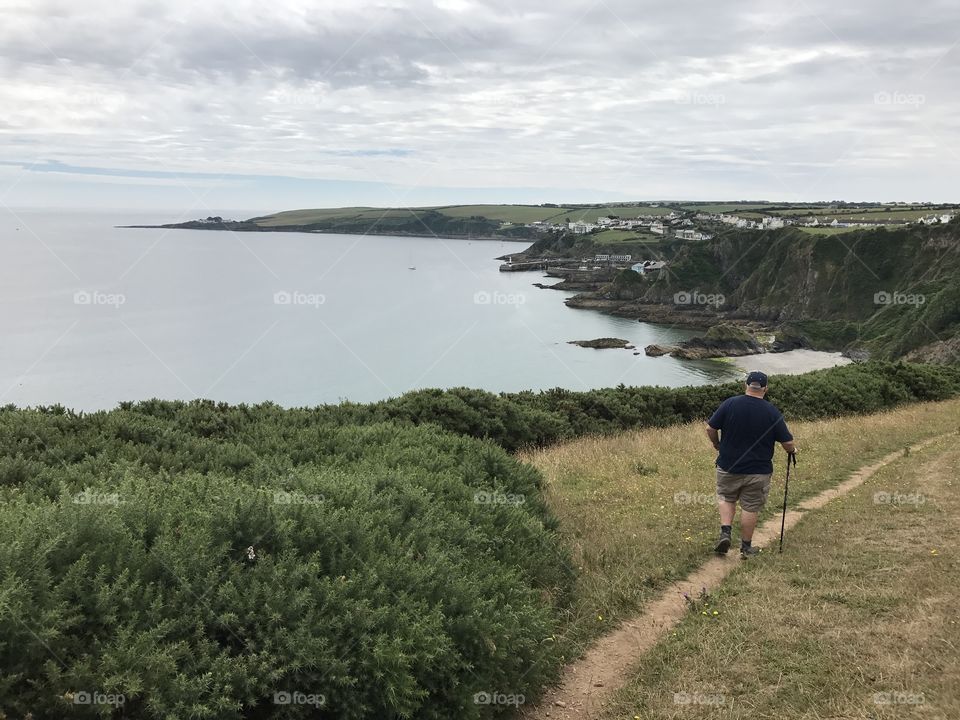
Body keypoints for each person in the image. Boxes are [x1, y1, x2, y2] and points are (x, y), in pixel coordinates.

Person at [705, 371, 796, 558]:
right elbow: (787, 443)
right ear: (765, 389)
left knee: (726, 497)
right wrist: (792, 451)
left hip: (728, 465)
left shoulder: (730, 403)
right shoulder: (771, 411)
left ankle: (725, 532)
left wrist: (717, 444)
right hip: (758, 471)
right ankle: (746, 548)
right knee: (750, 507)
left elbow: (710, 428)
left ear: (745, 385)